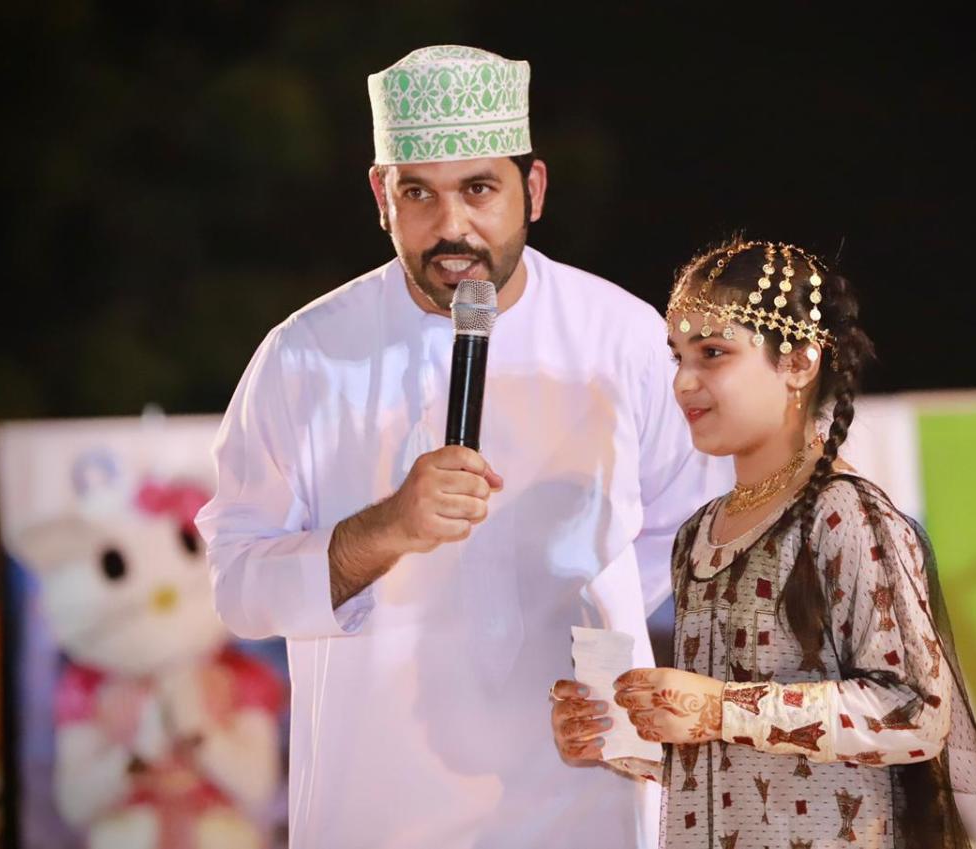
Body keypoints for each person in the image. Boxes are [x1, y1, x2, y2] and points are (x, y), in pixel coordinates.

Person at [195, 45, 729, 849]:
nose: (452, 227)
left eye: (479, 189)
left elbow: (694, 540)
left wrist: (575, 617)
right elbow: (237, 584)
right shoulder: (304, 356)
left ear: (533, 189)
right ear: (382, 196)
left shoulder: (623, 339)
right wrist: (386, 530)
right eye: (419, 192)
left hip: (579, 795)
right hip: (374, 804)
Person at [552, 238, 976, 847]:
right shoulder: (699, 534)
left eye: (713, 353)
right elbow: (741, 759)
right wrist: (621, 733)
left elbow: (915, 713)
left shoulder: (844, 514)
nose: (684, 383)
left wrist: (719, 707)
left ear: (799, 364)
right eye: (678, 357)